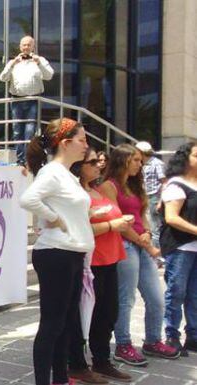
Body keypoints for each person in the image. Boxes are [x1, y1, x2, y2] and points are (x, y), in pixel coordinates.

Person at [19, 118, 93, 385]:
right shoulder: (52, 172)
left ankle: (61, 378)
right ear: (65, 142)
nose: (86, 145)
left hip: (71, 253)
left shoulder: (66, 174)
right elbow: (27, 199)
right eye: (82, 139)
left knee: (64, 322)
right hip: (57, 253)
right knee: (52, 324)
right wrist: (53, 218)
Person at [98, 144, 179, 365]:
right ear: (123, 160)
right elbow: (118, 221)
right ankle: (123, 344)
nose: (140, 164)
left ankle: (152, 341)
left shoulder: (135, 185)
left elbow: (142, 213)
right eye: (135, 160)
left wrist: (148, 233)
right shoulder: (109, 186)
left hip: (141, 244)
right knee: (126, 298)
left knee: (156, 298)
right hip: (124, 245)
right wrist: (145, 242)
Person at [65, 148, 133, 384]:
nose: (98, 165)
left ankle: (102, 360)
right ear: (79, 166)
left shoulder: (95, 189)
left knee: (108, 313)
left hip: (110, 257)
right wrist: (113, 225)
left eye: (98, 161)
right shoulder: (75, 192)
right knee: (85, 315)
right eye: (92, 162)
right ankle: (78, 364)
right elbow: (77, 227)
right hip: (90, 261)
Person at [160, 142, 197, 356]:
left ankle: (193, 335)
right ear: (185, 159)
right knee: (176, 292)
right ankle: (171, 335)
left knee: (194, 294)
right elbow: (171, 218)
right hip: (180, 247)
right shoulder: (176, 184)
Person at [0, 35, 54, 165]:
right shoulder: (13, 62)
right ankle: (20, 160)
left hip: (33, 99)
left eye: (29, 45)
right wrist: (12, 64)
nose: (26, 47)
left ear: (33, 46)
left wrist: (39, 63)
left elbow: (49, 75)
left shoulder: (40, 60)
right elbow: (3, 78)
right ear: (20, 46)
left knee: (29, 131)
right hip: (16, 100)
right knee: (17, 131)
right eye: (24, 45)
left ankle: (28, 159)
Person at [136, 141, 166, 248]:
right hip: (143, 196)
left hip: (154, 197)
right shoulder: (141, 164)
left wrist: (160, 201)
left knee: (154, 227)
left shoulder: (157, 163)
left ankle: (156, 253)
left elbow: (164, 182)